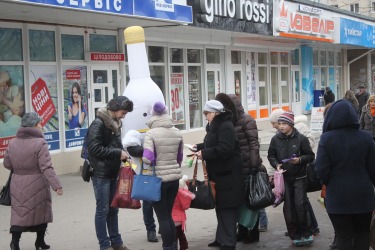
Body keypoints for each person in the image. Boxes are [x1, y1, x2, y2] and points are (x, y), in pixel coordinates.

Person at [316, 99, 375, 250]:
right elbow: (373, 169)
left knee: (343, 236)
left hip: (338, 197)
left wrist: (329, 183)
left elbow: (321, 169)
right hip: (364, 196)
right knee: (363, 234)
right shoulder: (366, 137)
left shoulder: (327, 139)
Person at [3, 112, 63, 250]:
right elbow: (46, 167)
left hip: (17, 182)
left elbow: (7, 164)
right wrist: (57, 185)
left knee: (19, 213)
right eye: (39, 122)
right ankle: (39, 242)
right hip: (37, 182)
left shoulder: (12, 142)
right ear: (34, 125)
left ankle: (15, 243)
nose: (41, 125)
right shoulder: (40, 143)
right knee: (41, 211)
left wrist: (20, 169)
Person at [194, 100, 244, 250]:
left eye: (207, 113)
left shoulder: (225, 126)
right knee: (220, 207)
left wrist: (205, 153)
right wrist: (199, 147)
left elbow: (225, 149)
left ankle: (228, 242)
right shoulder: (214, 126)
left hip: (228, 175)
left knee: (227, 209)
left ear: (215, 113)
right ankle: (221, 238)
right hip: (219, 175)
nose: (205, 116)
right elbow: (212, 144)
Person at [215, 93, 264, 243]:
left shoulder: (247, 120)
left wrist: (253, 165)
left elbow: (253, 144)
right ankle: (242, 231)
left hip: (248, 167)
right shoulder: (229, 122)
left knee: (251, 201)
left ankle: (253, 233)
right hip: (236, 168)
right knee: (240, 202)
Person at [87, 96, 133, 250]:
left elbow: (118, 145)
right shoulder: (98, 124)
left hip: (113, 171)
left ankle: (116, 242)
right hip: (100, 173)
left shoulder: (116, 124)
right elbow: (94, 149)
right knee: (103, 209)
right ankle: (104, 245)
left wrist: (124, 153)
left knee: (114, 208)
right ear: (114, 108)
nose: (124, 115)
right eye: (123, 112)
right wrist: (117, 153)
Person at [267, 111, 315, 246]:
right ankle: (294, 234)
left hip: (300, 176)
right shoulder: (275, 139)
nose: (281, 126)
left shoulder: (301, 139)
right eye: (280, 123)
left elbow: (310, 156)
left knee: (300, 204)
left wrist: (299, 160)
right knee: (289, 207)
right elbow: (271, 155)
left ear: (291, 124)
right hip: (284, 178)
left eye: (284, 124)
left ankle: (306, 232)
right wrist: (276, 165)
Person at [142, 101, 183, 250]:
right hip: (174, 179)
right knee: (169, 215)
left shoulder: (151, 134)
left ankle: (168, 247)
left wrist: (153, 160)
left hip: (158, 180)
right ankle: (173, 245)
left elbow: (147, 158)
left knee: (163, 217)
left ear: (153, 115)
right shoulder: (177, 132)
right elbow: (179, 158)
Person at [122, 130, 158, 243]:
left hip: (164, 171)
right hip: (146, 173)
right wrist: (152, 149)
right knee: (148, 203)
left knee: (165, 202)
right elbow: (133, 151)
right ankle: (151, 230)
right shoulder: (134, 130)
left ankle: (165, 225)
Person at [172, 175, 195, 250]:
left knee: (174, 235)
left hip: (171, 217)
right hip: (179, 217)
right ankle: (184, 245)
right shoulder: (183, 194)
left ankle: (177, 246)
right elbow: (185, 206)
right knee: (180, 233)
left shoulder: (172, 193)